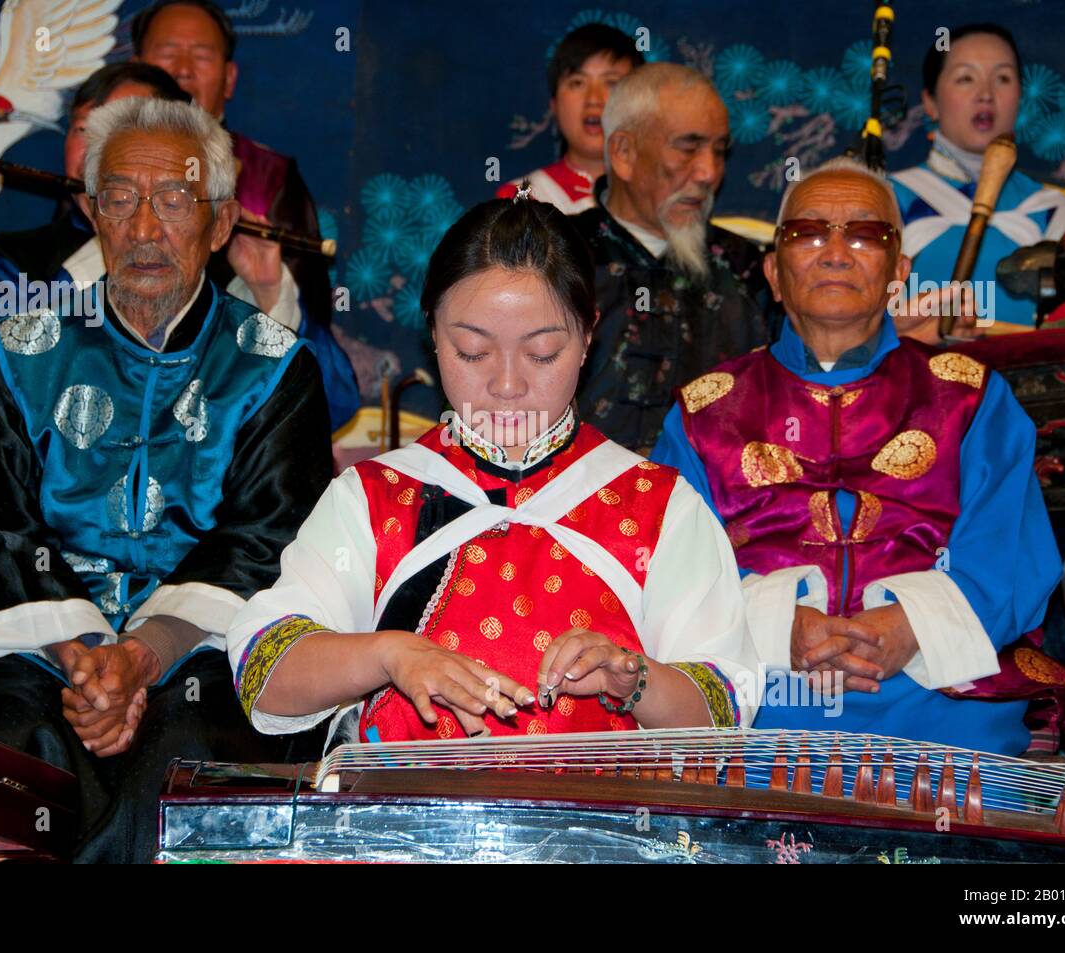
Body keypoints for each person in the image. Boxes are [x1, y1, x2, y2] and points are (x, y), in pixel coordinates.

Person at [0, 98, 333, 862]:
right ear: (92, 214)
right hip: (45, 650)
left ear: (218, 225)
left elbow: (267, 543)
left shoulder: (274, 367)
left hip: (207, 652)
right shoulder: (26, 351)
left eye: (173, 200)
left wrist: (141, 654)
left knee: (189, 758)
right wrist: (83, 651)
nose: (144, 229)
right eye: (118, 199)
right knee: (6, 734)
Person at [227, 192, 759, 744]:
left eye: (543, 353)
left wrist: (636, 681)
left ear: (587, 337)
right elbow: (266, 671)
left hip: (598, 827)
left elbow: (722, 704)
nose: (508, 386)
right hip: (405, 826)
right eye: (473, 351)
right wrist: (388, 654)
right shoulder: (376, 497)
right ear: (433, 334)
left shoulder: (657, 506)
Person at [652, 158, 1065, 756]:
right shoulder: (706, 413)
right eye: (808, 233)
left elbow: (1009, 558)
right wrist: (782, 627)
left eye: (865, 234)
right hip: (764, 683)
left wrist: (911, 626)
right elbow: (671, 571)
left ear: (898, 273)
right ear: (775, 274)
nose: (835, 252)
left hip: (939, 684)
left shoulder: (968, 396)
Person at [132, 0, 359, 429]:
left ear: (229, 78)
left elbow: (319, 357)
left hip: (228, 418)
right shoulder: (100, 173)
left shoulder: (266, 178)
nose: (182, 69)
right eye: (166, 53)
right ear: (136, 65)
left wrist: (269, 289)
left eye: (201, 56)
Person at [571, 63, 770, 455]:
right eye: (688, 147)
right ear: (624, 153)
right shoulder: (553, 258)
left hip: (714, 510)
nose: (709, 172)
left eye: (719, 151)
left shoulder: (748, 271)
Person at [0, 62, 191, 390]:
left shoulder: (207, 256)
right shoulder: (12, 260)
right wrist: (104, 248)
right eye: (82, 129)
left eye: (121, 127)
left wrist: (265, 286)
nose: (96, 147)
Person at [890, 22, 1065, 339]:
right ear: (931, 102)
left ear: (1020, 97)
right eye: (966, 78)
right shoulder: (887, 199)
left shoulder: (1053, 211)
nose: (986, 94)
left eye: (1003, 78)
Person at [495, 23, 643, 215]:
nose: (594, 99)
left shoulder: (663, 194)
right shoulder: (522, 199)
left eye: (611, 83)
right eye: (577, 83)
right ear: (554, 105)